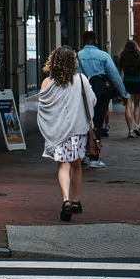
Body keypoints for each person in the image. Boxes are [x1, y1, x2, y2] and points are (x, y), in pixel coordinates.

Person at [37, 46, 96, 221]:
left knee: (63, 166)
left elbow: (43, 108)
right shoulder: (81, 80)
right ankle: (76, 200)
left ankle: (66, 200)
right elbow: (92, 100)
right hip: (77, 131)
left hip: (58, 132)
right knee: (76, 165)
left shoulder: (47, 83)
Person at [78, 30, 127, 167]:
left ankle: (81, 156)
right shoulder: (103, 56)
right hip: (100, 95)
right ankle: (94, 157)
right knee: (97, 124)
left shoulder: (77, 57)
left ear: (83, 42)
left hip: (81, 94)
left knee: (81, 124)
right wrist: (124, 94)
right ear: (96, 41)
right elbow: (114, 76)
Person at [116, 40, 140, 137]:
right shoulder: (139, 57)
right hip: (137, 83)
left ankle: (130, 130)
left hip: (126, 83)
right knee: (137, 105)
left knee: (128, 106)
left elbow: (119, 72)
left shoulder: (123, 57)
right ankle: (137, 126)